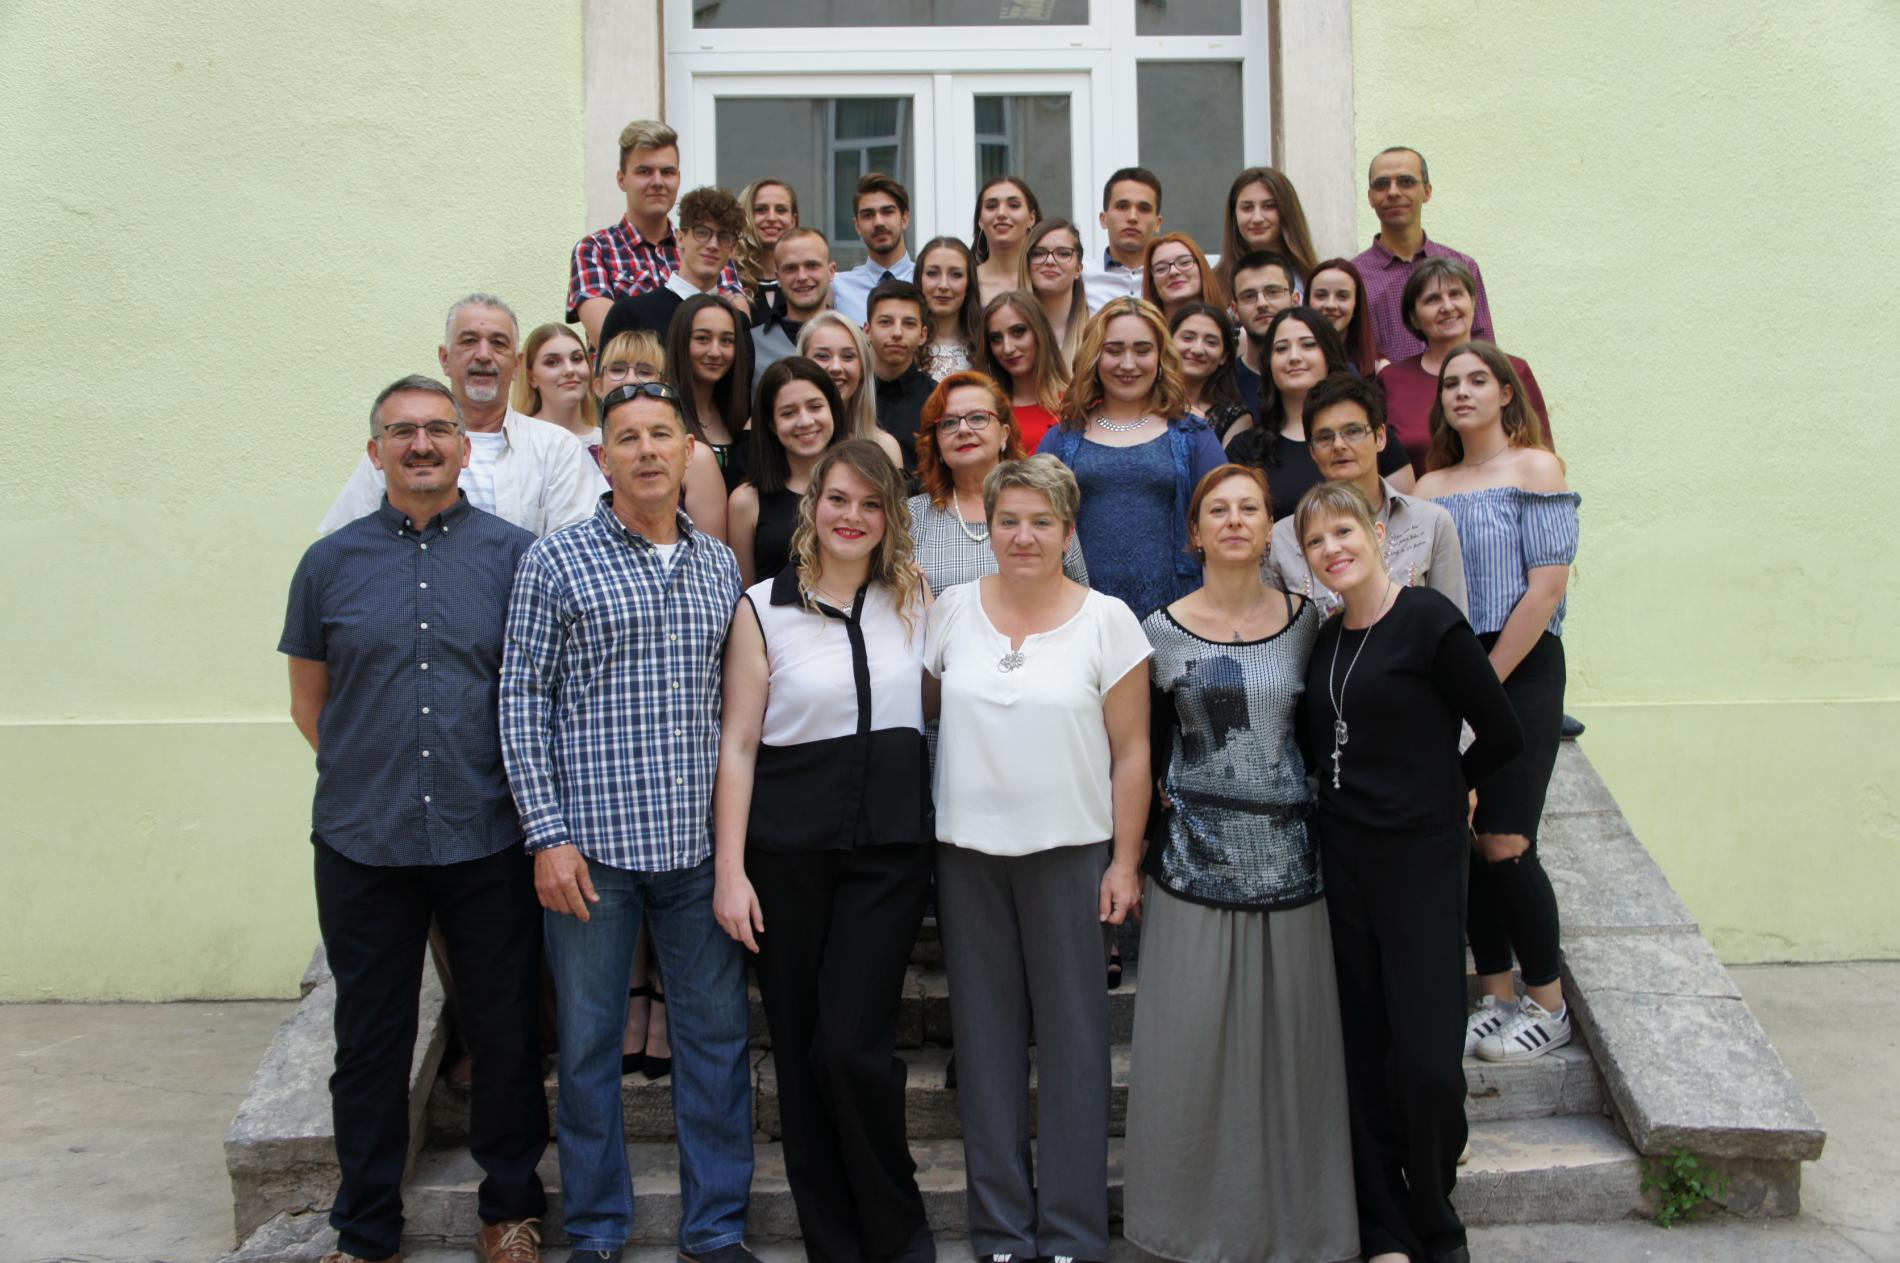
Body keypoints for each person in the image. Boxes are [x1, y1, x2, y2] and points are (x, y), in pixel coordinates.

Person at [283, 375, 548, 1263]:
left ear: (466, 448)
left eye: (438, 428)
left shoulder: (516, 557)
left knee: (505, 1030)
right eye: (402, 431)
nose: (422, 443)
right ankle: (365, 1231)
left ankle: (510, 1210)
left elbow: (535, 689)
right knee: (370, 1040)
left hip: (488, 832)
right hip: (364, 839)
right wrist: (375, 773)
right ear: (376, 452)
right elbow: (310, 704)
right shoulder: (329, 563)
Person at [500, 381, 759, 1263]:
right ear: (601, 455)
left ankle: (715, 1227)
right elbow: (521, 701)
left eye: (661, 434)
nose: (647, 450)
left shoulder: (717, 565)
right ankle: (597, 1228)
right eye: (628, 437)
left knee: (715, 1041)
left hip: (697, 853)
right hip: (591, 854)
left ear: (689, 451)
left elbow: (734, 709)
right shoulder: (556, 560)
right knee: (585, 1049)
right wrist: (546, 834)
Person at [1123, 464, 1357, 1263]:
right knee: (1189, 1064)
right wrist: (1128, 857)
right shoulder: (1156, 630)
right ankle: (1182, 1231)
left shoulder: (1310, 622)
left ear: (1269, 528)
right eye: (1216, 509)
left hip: (1293, 869)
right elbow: (1140, 752)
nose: (1232, 520)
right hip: (1191, 867)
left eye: (1248, 508)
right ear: (1194, 533)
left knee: (1295, 1067)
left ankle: (1300, 1232)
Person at [712, 440, 937, 1263]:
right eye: (839, 498)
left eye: (872, 504)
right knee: (803, 1054)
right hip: (785, 854)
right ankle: (835, 1247)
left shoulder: (914, 597)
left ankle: (898, 1232)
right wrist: (730, 872)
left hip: (890, 851)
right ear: (814, 506)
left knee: (851, 1046)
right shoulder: (761, 606)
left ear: (891, 518)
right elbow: (739, 744)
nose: (853, 516)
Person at [925, 454, 1151, 1263]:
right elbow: (930, 711)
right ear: (988, 527)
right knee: (985, 1046)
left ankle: (1072, 1234)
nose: (1024, 536)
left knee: (1075, 1047)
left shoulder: (1108, 621)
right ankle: (1000, 1234)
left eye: (1041, 522)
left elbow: (1133, 752)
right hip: (968, 855)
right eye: (1009, 520)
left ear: (1067, 530)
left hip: (1072, 853)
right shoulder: (951, 610)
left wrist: (1125, 861)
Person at [1296, 478, 1522, 1263]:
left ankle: (1435, 1217)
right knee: (1363, 1051)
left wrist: (1449, 790)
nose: (1332, 549)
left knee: (1426, 1059)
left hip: (1421, 860)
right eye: (1316, 540)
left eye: (1344, 531)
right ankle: (1384, 1228)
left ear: (1379, 535)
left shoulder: (1428, 619)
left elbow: (1501, 731)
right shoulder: (1325, 638)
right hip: (1343, 859)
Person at [1414, 341, 1581, 1069]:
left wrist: (1480, 686)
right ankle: (1497, 996)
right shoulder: (1430, 485)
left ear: (1507, 392)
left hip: (1521, 666)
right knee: (1470, 838)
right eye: (1451, 381)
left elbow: (1546, 590)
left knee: (1508, 839)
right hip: (1451, 670)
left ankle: (1550, 1006)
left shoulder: (1536, 468)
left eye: (1478, 379)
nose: (1462, 391)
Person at [319, 294, 599, 538]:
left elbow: (579, 554)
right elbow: (344, 547)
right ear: (445, 359)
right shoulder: (402, 449)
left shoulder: (558, 449)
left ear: (517, 365)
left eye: (498, 343)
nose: (484, 355)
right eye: (469, 341)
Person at [1038, 297, 1226, 622]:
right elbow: (1031, 518)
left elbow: (1226, 515)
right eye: (1114, 350)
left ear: (1160, 356)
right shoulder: (1062, 439)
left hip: (1176, 614)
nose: (1128, 364)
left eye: (1142, 350)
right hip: (1082, 615)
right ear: (1095, 356)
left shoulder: (1192, 435)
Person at [1266, 372, 1465, 615]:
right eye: (1325, 437)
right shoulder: (1284, 538)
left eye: (1353, 431)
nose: (1339, 445)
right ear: (1312, 451)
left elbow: (1454, 622)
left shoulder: (1429, 522)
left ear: (1380, 437)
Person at [567, 119, 745, 348]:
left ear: (678, 178)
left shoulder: (707, 245)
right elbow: (610, 338)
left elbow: (738, 327)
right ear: (622, 180)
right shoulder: (595, 250)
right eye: (644, 171)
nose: (658, 182)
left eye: (667, 172)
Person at [908, 370, 1086, 595]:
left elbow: (1081, 598)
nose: (963, 430)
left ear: (1004, 434)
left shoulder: (1046, 502)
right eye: (948, 423)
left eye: (978, 418)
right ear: (936, 443)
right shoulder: (913, 517)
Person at [1225, 307, 1415, 516]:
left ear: (1328, 354)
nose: (1294, 357)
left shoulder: (1368, 433)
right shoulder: (1245, 449)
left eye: (1308, 345)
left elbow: (1405, 517)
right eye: (1281, 349)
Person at [1377, 257, 1550, 475]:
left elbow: (1540, 449)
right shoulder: (1391, 379)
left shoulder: (1513, 370)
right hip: (1419, 495)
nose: (1447, 307)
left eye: (1456, 294)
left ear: (1473, 302)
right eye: (1432, 299)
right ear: (1414, 317)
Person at [1352, 146, 1496, 362]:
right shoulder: (1354, 277)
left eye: (1406, 182)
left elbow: (1484, 347)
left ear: (1427, 192)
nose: (1393, 192)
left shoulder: (1462, 266)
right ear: (1370, 197)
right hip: (1385, 385)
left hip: (1456, 383)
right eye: (1382, 185)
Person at [592, 328, 730, 540]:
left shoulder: (696, 458)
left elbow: (710, 551)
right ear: (598, 386)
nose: (631, 380)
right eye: (618, 369)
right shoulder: (576, 452)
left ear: (664, 383)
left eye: (645, 371)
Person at [729, 357, 851, 586]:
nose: (805, 421)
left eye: (815, 407)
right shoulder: (746, 501)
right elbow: (743, 594)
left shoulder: (863, 486)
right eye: (788, 413)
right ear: (771, 424)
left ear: (833, 409)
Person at [598, 186, 746, 349]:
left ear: (733, 248)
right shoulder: (630, 314)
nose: (713, 245)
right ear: (680, 238)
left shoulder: (737, 322)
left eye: (724, 237)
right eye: (702, 233)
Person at [667, 292, 757, 494]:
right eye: (702, 339)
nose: (715, 352)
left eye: (726, 340)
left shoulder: (740, 413)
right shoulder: (661, 413)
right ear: (682, 342)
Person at [981, 291, 1071, 453]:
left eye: (1018, 332)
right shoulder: (984, 411)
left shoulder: (1076, 403)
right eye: (996, 339)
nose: (1007, 348)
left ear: (1040, 332)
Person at [1216, 166, 1319, 302]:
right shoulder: (1213, 285)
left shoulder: (1315, 283)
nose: (1257, 218)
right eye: (1247, 208)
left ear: (1287, 212)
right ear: (1234, 215)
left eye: (1269, 206)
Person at [865, 280, 936, 471]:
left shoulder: (938, 400)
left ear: (923, 335)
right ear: (867, 330)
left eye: (909, 324)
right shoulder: (850, 394)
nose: (897, 333)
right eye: (886, 322)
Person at [751, 227, 836, 387]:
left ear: (831, 271)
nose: (802, 277)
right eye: (791, 268)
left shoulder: (855, 339)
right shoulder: (752, 344)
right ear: (778, 278)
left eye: (812, 265)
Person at [1227, 250, 1302, 418]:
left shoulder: (1322, 372)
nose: (1261, 304)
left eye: (1273, 292)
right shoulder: (1223, 384)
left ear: (1295, 301)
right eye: (1249, 296)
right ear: (1235, 310)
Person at [833, 173, 915, 324]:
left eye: (887, 212)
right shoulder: (838, 288)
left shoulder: (928, 283)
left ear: (904, 219)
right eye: (868, 215)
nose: (878, 222)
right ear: (857, 226)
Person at [1168, 301, 1250, 443]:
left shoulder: (1233, 416)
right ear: (1168, 343)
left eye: (1211, 342)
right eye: (1188, 338)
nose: (1197, 350)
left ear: (1224, 356)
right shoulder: (1142, 400)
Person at [1084, 167, 1164, 309]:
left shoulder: (1172, 277)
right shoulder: (1079, 277)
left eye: (1144, 209)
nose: (1132, 217)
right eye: (1122, 207)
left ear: (1157, 223)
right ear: (1103, 219)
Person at [1020, 216, 1089, 364]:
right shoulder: (1009, 331)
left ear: (1078, 269)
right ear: (1027, 264)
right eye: (1039, 253)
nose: (1050, 261)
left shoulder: (1097, 332)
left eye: (1063, 253)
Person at [1306, 257, 1387, 379]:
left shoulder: (1379, 369)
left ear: (1356, 305)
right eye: (1321, 295)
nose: (1330, 305)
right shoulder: (1294, 363)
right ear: (1307, 302)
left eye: (1342, 296)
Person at [513, 322, 597, 438]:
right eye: (552, 362)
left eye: (577, 358)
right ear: (531, 378)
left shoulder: (608, 440)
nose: (569, 370)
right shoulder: (517, 440)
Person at [916, 236, 983, 379]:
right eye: (932, 273)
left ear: (969, 283)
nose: (943, 285)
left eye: (956, 274)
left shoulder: (986, 345)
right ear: (919, 279)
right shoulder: (904, 342)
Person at [971, 174, 1041, 305]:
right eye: (991, 206)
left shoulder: (1048, 278)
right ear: (980, 220)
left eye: (1014, 205)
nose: (1001, 213)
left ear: (1031, 218)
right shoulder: (965, 282)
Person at [735, 177, 798, 315]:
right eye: (761, 210)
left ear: (793, 220)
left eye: (781, 210)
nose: (771, 218)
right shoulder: (729, 279)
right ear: (744, 218)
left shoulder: (806, 280)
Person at [1140, 232, 1226, 324]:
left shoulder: (1232, 330)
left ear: (1202, 269)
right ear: (1152, 285)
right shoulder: (1140, 332)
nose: (1173, 272)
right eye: (1161, 268)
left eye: (1184, 262)